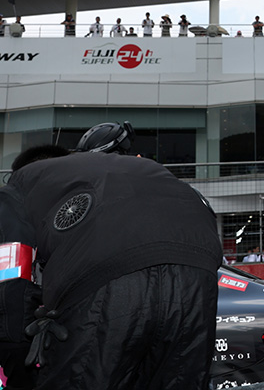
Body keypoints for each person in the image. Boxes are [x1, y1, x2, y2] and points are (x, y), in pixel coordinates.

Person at [2, 123, 222, 389]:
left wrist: (19, 364)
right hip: (198, 272)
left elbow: (11, 284)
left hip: (110, 282)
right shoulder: (131, 170)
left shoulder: (17, 187)